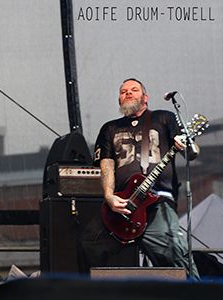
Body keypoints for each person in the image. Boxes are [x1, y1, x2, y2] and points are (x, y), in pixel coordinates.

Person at [81, 78, 200, 279]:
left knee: (175, 254)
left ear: (145, 97)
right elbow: (106, 164)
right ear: (119, 99)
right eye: (123, 91)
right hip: (122, 205)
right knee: (90, 242)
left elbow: (192, 153)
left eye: (134, 90)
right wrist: (109, 196)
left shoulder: (164, 118)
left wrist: (186, 144)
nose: (128, 93)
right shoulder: (109, 128)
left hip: (157, 202)